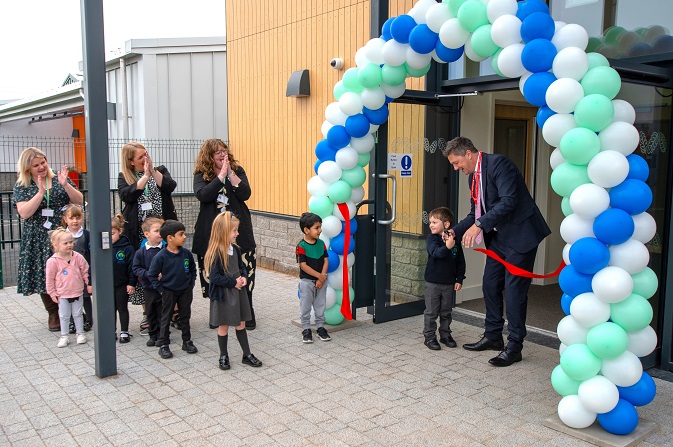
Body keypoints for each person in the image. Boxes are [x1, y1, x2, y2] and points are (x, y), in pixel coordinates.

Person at [444, 137, 551, 367]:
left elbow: (509, 201)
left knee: (514, 292)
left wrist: (479, 225)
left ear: (469, 154)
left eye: (456, 162)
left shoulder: (500, 164)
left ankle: (514, 346)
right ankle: (493, 336)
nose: (455, 168)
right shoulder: (473, 176)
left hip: (521, 236)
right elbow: (475, 213)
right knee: (490, 284)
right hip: (499, 239)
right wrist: (455, 231)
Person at [13, 147, 84, 332]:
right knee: (46, 273)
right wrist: (40, 192)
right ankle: (54, 312)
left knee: (69, 270)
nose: (41, 167)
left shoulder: (58, 179)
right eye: (36, 165)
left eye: (43, 162)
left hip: (62, 234)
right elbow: (24, 212)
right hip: (37, 237)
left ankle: (73, 307)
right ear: (27, 168)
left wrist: (66, 185)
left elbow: (79, 199)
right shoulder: (23, 185)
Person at [193, 139, 258, 330]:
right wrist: (220, 176)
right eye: (217, 152)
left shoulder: (238, 170)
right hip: (212, 234)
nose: (223, 155)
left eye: (224, 151)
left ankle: (247, 312)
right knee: (215, 275)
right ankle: (219, 314)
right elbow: (203, 195)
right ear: (209, 156)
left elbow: (245, 193)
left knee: (244, 271)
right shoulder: (201, 174)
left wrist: (230, 174)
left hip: (239, 233)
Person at [118, 142, 177, 333]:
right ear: (130, 161)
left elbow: (169, 186)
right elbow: (127, 195)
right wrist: (143, 177)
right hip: (141, 233)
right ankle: (148, 313)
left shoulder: (159, 170)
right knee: (147, 271)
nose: (145, 158)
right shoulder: (125, 177)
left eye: (146, 154)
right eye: (140, 157)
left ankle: (173, 311)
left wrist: (152, 171)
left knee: (168, 267)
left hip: (163, 228)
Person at [203, 212, 262, 370]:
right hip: (224, 294)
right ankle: (223, 355)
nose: (237, 233)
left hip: (238, 292)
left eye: (237, 230)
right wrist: (232, 282)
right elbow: (214, 277)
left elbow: (242, 267)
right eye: (234, 231)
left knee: (241, 323)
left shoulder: (235, 249)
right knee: (223, 326)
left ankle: (247, 354)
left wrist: (244, 277)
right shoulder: (217, 252)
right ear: (223, 231)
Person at [148, 220, 198, 359]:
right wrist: (162, 290)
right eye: (181, 234)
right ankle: (164, 344)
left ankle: (187, 341)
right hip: (168, 291)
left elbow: (193, 269)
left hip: (185, 291)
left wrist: (191, 284)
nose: (185, 236)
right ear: (170, 238)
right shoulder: (161, 256)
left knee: (185, 316)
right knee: (166, 316)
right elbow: (152, 275)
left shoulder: (186, 254)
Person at [423, 207, 466, 351]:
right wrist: (447, 247)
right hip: (433, 283)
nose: (431, 225)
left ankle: (445, 335)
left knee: (446, 311)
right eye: (430, 222)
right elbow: (436, 253)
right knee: (431, 312)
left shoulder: (455, 241)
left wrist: (459, 279)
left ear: (446, 224)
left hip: (448, 283)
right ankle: (429, 336)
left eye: (434, 222)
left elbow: (460, 262)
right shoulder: (432, 239)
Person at [45, 228, 92, 348]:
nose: (69, 245)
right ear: (56, 245)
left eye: (71, 242)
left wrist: (88, 284)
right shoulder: (52, 261)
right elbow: (50, 279)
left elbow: (85, 270)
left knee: (77, 313)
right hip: (62, 293)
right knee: (64, 315)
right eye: (65, 243)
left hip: (77, 291)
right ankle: (64, 335)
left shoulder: (78, 257)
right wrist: (52, 293)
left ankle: (80, 333)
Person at [296, 212, 331, 344]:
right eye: (317, 228)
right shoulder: (301, 246)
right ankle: (306, 329)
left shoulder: (321, 244)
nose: (320, 230)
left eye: (320, 227)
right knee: (305, 306)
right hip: (306, 282)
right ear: (306, 230)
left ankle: (320, 327)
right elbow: (303, 266)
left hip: (321, 281)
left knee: (320, 305)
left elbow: (326, 261)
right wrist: (320, 276)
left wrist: (321, 279)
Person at [132, 217, 165, 347]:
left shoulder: (165, 250)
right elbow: (136, 268)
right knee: (150, 312)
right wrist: (149, 275)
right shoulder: (141, 252)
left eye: (161, 230)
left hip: (163, 288)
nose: (160, 233)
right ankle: (153, 335)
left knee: (162, 312)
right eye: (157, 231)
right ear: (147, 234)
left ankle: (163, 336)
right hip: (149, 288)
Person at [61, 204, 93, 332]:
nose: (75, 221)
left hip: (83, 273)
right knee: (69, 297)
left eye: (78, 218)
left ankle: (89, 320)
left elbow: (90, 253)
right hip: (68, 274)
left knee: (85, 296)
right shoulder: (62, 235)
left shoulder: (86, 234)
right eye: (71, 218)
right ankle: (72, 322)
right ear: (65, 219)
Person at [111, 214, 137, 343]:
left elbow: (132, 267)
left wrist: (131, 283)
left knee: (122, 307)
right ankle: (111, 330)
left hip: (122, 284)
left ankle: (124, 331)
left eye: (112, 234)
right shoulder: (102, 248)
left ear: (120, 231)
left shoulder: (127, 247)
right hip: (107, 285)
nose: (110, 237)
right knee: (110, 308)